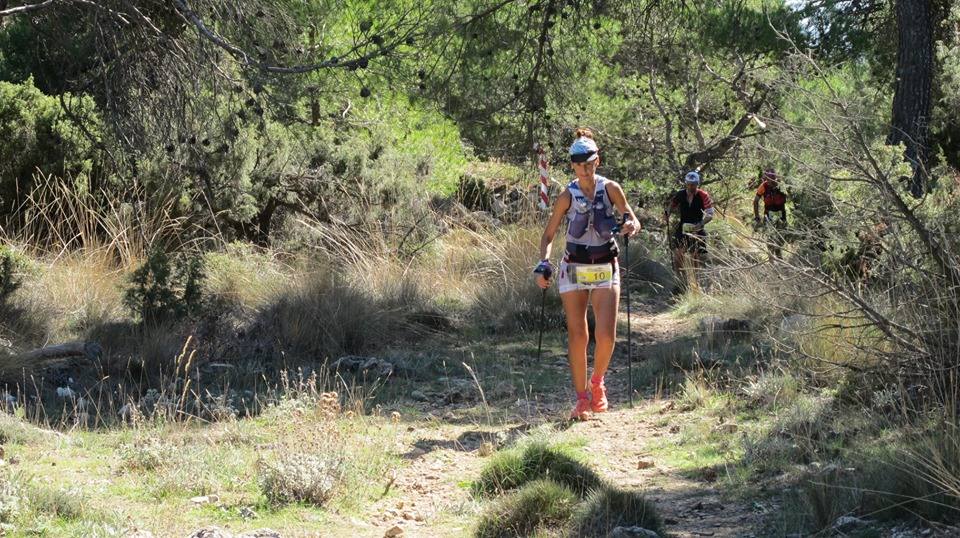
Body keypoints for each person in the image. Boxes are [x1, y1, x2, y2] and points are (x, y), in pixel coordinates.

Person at [533, 128, 640, 421]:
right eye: (578, 163)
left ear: (597, 160)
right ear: (572, 165)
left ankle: (597, 383)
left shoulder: (611, 188)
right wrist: (543, 263)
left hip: (606, 264)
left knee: (605, 335)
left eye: (589, 161)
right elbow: (549, 235)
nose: (584, 167)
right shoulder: (567, 195)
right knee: (578, 334)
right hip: (575, 266)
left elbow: (631, 216)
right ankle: (582, 399)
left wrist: (630, 224)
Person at [664, 170, 714, 290]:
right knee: (678, 255)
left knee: (694, 257)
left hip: (697, 227)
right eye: (689, 184)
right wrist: (668, 213)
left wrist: (701, 224)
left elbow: (710, 214)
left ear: (697, 184)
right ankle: (680, 283)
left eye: (693, 184)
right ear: (686, 184)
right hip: (683, 226)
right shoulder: (680, 194)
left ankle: (694, 284)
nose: (691, 187)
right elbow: (672, 205)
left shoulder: (703, 195)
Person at [753, 168, 787, 257]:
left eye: (770, 180)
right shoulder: (763, 186)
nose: (769, 182)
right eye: (767, 179)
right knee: (770, 237)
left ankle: (779, 257)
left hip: (781, 214)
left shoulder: (781, 184)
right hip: (768, 214)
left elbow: (787, 197)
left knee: (780, 237)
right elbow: (755, 201)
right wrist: (757, 217)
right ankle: (771, 258)